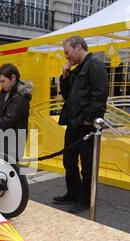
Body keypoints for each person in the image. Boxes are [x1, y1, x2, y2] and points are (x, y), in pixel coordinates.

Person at [53, 35, 108, 213]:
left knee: (87, 163)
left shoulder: (95, 64)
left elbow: (100, 94)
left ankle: (85, 199)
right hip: (73, 121)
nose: (66, 56)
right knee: (69, 160)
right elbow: (67, 96)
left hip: (86, 123)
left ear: (78, 47)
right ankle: (73, 192)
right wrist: (64, 76)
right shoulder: (77, 68)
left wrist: (90, 118)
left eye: (67, 52)